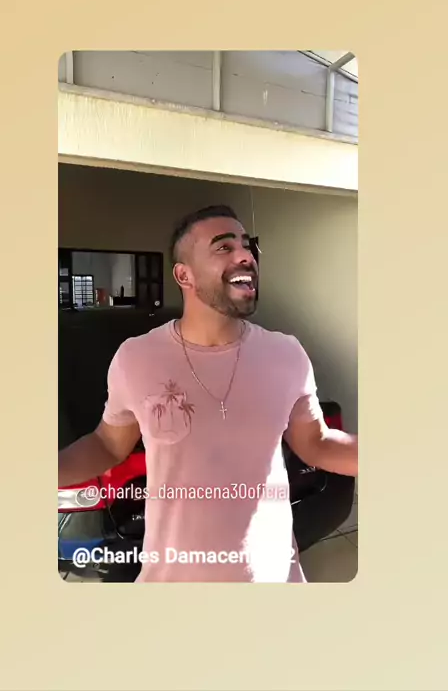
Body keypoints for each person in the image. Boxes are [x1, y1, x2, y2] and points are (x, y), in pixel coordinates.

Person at [58, 204, 358, 582]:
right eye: (224, 247)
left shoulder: (286, 354)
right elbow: (107, 445)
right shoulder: (137, 358)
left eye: (248, 246)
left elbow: (316, 442)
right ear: (184, 274)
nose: (246, 256)